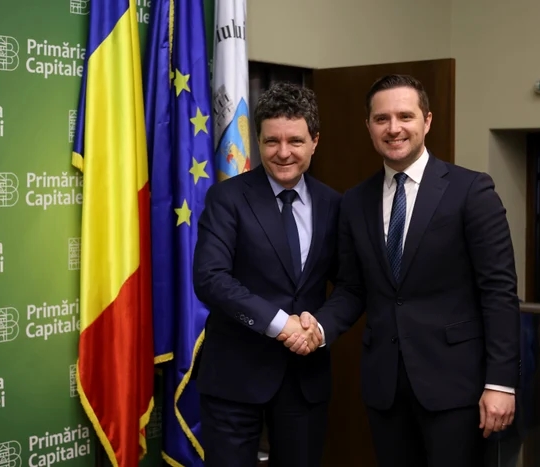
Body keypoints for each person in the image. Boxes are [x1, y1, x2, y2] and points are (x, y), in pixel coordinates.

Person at [287, 74, 521, 466]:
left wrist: (501, 383)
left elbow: (499, 292)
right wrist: (320, 327)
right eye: (382, 119)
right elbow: (352, 288)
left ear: (426, 121)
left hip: (458, 389)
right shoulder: (355, 201)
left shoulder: (471, 191)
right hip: (386, 389)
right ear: (368, 126)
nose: (393, 128)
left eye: (405, 116)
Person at [192, 81, 342, 467]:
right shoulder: (227, 198)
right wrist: (280, 324)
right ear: (257, 141)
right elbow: (210, 277)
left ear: (315, 142)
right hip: (234, 377)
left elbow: (351, 286)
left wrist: (319, 327)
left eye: (295, 140)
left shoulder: (334, 204)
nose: (283, 152)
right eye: (272, 141)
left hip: (305, 378)